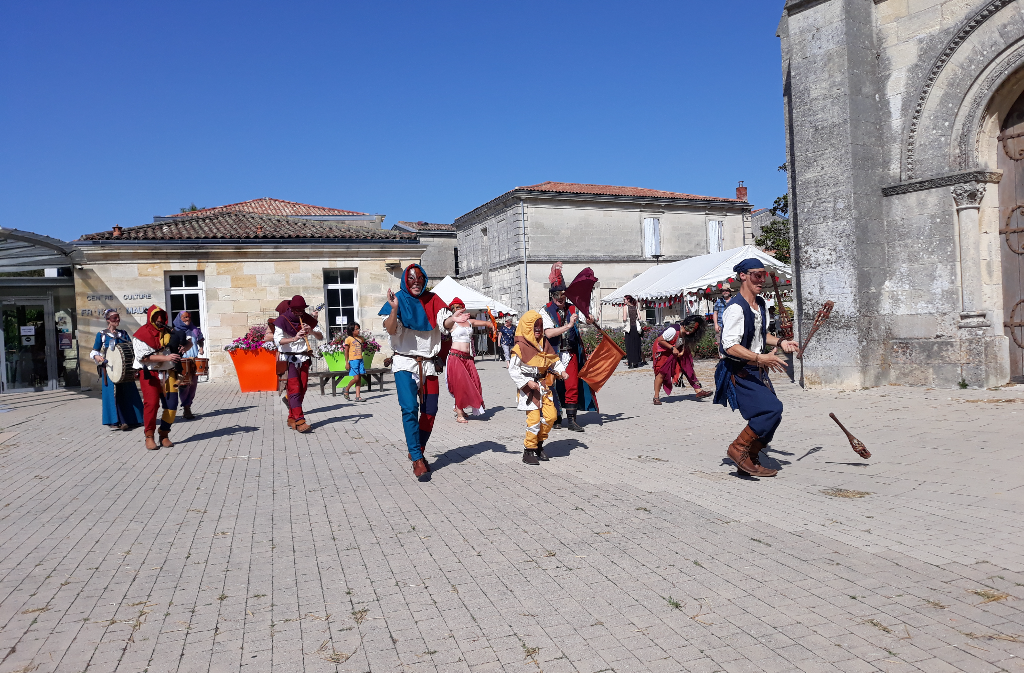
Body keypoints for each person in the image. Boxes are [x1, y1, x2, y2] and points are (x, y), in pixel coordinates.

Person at [713, 259, 800, 478]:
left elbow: (760, 336)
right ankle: (738, 448)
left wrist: (781, 342)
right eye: (756, 275)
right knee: (770, 410)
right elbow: (729, 345)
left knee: (773, 416)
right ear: (743, 276)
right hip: (739, 370)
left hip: (757, 369)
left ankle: (748, 459)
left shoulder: (760, 305)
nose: (761, 280)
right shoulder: (735, 308)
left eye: (764, 275)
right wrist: (760, 358)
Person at [381, 264, 461, 480]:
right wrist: (395, 309)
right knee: (409, 410)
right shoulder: (396, 300)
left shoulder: (433, 300)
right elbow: (390, 328)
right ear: (405, 280)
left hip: (428, 364)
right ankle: (417, 459)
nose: (416, 282)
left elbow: (443, 322)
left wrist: (454, 319)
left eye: (419, 278)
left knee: (430, 411)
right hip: (404, 364)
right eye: (411, 278)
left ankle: (417, 449)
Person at [508, 310, 568, 465]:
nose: (538, 330)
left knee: (551, 417)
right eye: (534, 327)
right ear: (527, 328)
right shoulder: (520, 347)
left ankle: (539, 444)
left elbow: (553, 360)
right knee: (534, 420)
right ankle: (529, 450)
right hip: (529, 389)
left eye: (540, 327)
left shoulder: (544, 344)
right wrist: (527, 383)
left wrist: (562, 370)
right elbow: (513, 370)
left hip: (543, 385)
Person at [543, 263, 597, 432]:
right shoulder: (544, 311)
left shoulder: (573, 308)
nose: (560, 298)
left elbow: (586, 317)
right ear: (552, 295)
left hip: (570, 352)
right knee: (554, 386)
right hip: (553, 354)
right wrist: (568, 326)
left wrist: (590, 319)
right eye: (557, 294)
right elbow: (549, 333)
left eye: (563, 294)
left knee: (572, 384)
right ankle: (557, 418)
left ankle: (572, 420)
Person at [133, 305, 188, 450]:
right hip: (149, 373)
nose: (159, 320)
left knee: (172, 405)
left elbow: (188, 341)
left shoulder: (170, 331)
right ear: (150, 318)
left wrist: (184, 347)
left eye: (162, 317)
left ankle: (164, 434)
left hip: (171, 373)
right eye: (156, 317)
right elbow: (143, 358)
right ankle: (149, 436)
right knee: (151, 405)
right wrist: (167, 357)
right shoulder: (141, 334)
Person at [274, 295, 323, 432]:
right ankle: (300, 420)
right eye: (297, 310)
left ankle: (291, 417)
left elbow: (321, 337)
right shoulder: (282, 320)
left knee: (303, 388)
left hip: (304, 358)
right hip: (289, 359)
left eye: (302, 309)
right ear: (291, 308)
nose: (300, 312)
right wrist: (294, 338)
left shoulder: (307, 319)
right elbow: (278, 341)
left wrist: (311, 331)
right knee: (294, 388)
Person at [90, 308, 143, 430]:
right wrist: (100, 359)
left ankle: (134, 419)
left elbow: (130, 349)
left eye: (118, 317)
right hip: (110, 369)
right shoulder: (102, 335)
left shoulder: (123, 333)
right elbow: (94, 351)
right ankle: (119, 421)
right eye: (114, 318)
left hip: (125, 369)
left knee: (128, 393)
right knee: (115, 394)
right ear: (108, 320)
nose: (117, 320)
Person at [445, 297, 492, 423]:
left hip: (468, 358)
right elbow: (446, 323)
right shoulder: (452, 323)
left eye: (459, 307)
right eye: (455, 308)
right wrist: (453, 318)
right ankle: (459, 413)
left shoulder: (469, 322)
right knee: (460, 385)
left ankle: (459, 407)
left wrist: (492, 325)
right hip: (455, 357)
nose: (458, 309)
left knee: (475, 382)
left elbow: (486, 323)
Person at [652, 316, 712, 404]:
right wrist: (672, 348)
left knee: (688, 367)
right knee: (661, 372)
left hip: (676, 348)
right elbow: (661, 340)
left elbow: (683, 344)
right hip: (663, 350)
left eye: (694, 329)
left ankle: (698, 390)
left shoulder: (688, 335)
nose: (692, 331)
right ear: (685, 325)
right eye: (691, 328)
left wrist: (683, 352)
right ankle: (656, 397)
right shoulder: (673, 330)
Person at [173, 311, 205, 419]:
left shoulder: (195, 329)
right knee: (184, 384)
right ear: (179, 318)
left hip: (193, 360)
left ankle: (189, 405)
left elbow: (200, 339)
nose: (187, 319)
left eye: (189, 317)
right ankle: (186, 408)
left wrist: (201, 347)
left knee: (193, 384)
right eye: (185, 317)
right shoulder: (174, 331)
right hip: (181, 361)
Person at [343, 322, 366, 401]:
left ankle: (358, 396)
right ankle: (346, 389)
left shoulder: (361, 339)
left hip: (360, 359)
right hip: (353, 361)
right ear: (351, 330)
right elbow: (346, 351)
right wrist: (347, 362)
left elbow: (362, 347)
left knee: (359, 378)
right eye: (356, 329)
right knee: (356, 378)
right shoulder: (348, 339)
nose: (358, 330)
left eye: (358, 329)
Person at [623, 295, 645, 369]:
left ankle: (630, 363)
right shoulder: (635, 307)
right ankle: (636, 362)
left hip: (629, 328)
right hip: (636, 328)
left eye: (625, 299)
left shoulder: (625, 307)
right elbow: (639, 317)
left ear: (628, 300)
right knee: (636, 345)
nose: (624, 301)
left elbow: (624, 318)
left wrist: (624, 321)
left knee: (629, 345)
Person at [713, 288, 732, 359]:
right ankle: (721, 358)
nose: (725, 292)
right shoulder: (718, 301)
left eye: (727, 290)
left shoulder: (734, 301)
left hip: (731, 326)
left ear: (730, 291)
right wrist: (716, 324)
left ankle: (730, 358)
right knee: (719, 342)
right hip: (720, 325)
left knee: (731, 342)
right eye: (723, 291)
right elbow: (715, 313)